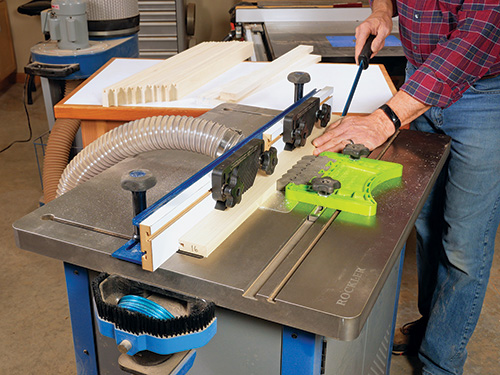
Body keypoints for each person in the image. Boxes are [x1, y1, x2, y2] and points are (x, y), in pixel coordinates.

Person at [313, 1, 500, 374]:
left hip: (483, 96)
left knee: (464, 245)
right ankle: (433, 329)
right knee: (427, 226)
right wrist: (382, 11)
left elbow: (477, 35)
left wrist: (388, 117)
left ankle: (440, 364)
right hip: (421, 81)